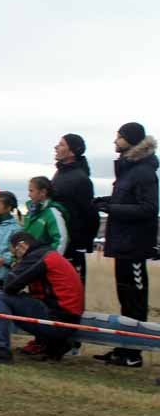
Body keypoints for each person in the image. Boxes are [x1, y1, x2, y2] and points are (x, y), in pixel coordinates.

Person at [92, 122, 158, 368]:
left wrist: (111, 208)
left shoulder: (143, 171)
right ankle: (124, 348)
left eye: (119, 137)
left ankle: (134, 353)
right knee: (125, 298)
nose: (115, 142)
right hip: (123, 243)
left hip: (135, 246)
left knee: (135, 300)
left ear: (131, 140)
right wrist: (104, 201)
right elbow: (126, 200)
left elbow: (149, 208)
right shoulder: (129, 170)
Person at [0, 232, 85, 364]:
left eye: (14, 254)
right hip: (67, 319)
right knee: (9, 297)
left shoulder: (38, 257)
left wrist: (16, 266)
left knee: (1, 297)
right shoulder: (48, 254)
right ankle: (54, 345)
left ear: (21, 246)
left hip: (58, 321)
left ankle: (1, 350)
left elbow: (10, 285)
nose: (14, 257)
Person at [51, 134, 98, 286]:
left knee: (73, 286)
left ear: (72, 152)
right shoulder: (60, 173)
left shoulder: (81, 179)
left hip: (73, 244)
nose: (56, 147)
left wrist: (83, 243)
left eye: (61, 145)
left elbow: (89, 213)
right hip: (59, 239)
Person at [24, 177, 69, 254]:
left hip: (42, 261)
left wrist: (49, 261)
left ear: (43, 192)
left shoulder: (52, 213)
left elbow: (61, 240)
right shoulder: (30, 213)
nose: (29, 195)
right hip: (30, 260)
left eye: (31, 191)